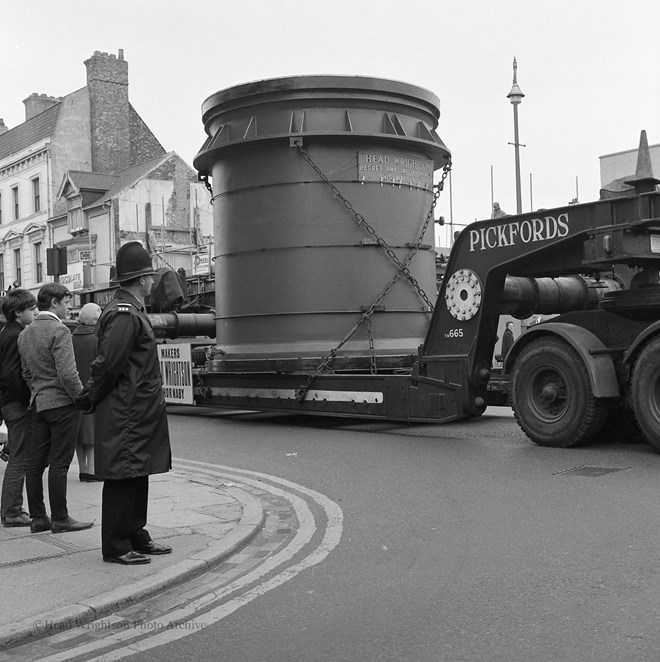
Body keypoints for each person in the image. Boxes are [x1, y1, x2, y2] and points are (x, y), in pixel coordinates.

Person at [77, 242, 172, 565]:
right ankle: (116, 545)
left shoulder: (130, 310)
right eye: (150, 276)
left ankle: (135, 533)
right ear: (143, 279)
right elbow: (108, 365)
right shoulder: (123, 314)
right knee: (123, 474)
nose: (153, 281)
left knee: (136, 472)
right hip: (127, 409)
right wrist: (90, 396)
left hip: (136, 408)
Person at [18, 283, 93, 534]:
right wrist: (82, 399)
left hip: (37, 404)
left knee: (35, 465)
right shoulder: (59, 331)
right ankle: (60, 518)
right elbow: (68, 374)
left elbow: (26, 373)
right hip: (62, 405)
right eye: (66, 302)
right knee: (60, 464)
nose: (68, 307)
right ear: (53, 303)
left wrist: (39, 390)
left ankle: (38, 518)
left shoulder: (25, 333)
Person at [0, 289, 37, 527]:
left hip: (7, 402)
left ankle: (9, 508)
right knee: (19, 457)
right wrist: (27, 400)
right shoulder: (16, 335)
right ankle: (12, 511)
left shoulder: (6, 332)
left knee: (16, 454)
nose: (35, 312)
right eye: (31, 309)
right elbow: (13, 374)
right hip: (15, 404)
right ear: (17, 313)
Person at [72, 303, 102, 482]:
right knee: (92, 434)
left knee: (79, 434)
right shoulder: (97, 339)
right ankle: (91, 471)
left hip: (75, 392)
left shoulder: (70, 337)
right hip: (93, 391)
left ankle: (83, 470)